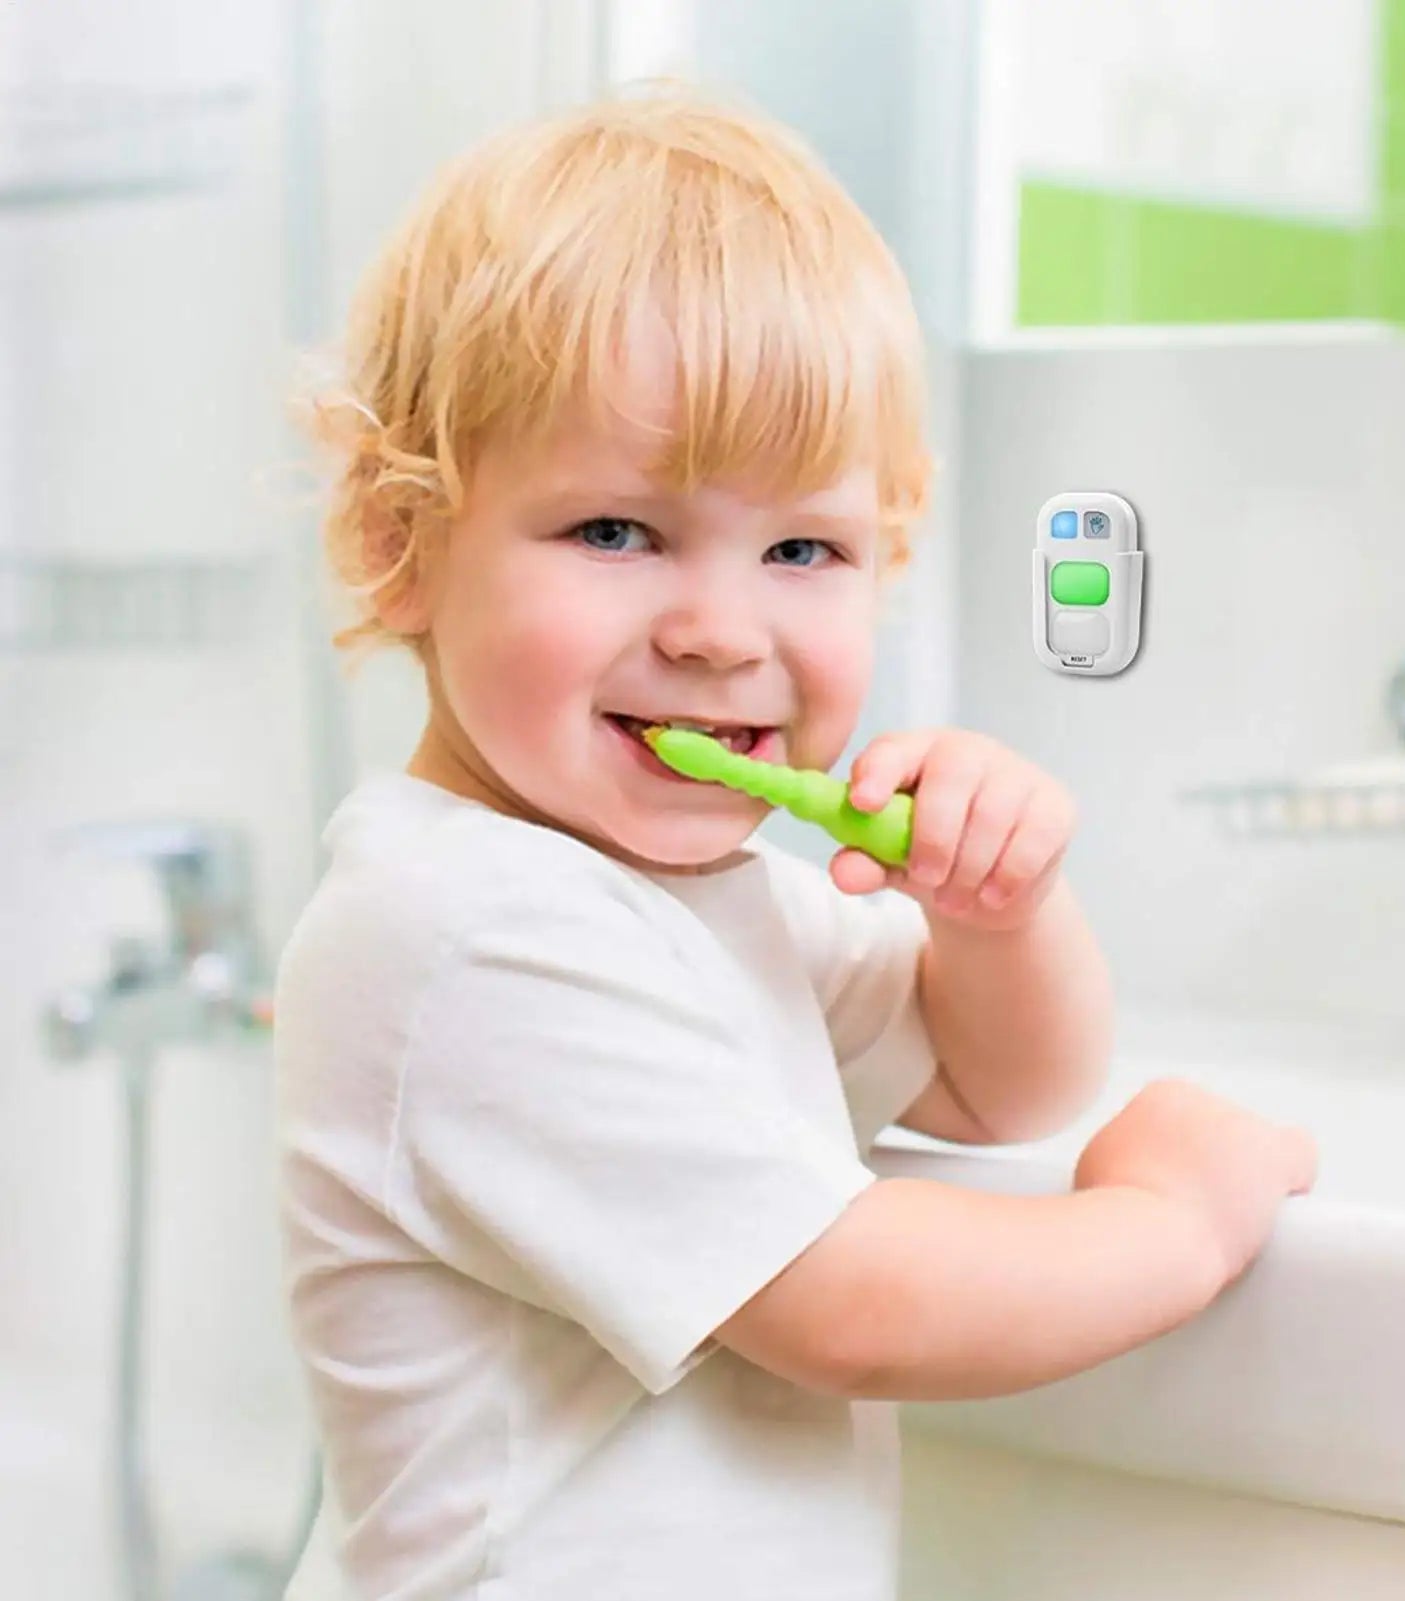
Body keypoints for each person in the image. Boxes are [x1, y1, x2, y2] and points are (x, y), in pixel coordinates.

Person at [274, 82, 1318, 1601]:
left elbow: (997, 1082)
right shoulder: (465, 926)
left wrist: (995, 914)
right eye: (616, 531)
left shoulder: (684, 894)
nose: (717, 632)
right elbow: (855, 1306)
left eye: (800, 550)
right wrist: (1169, 1221)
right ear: (396, 539)